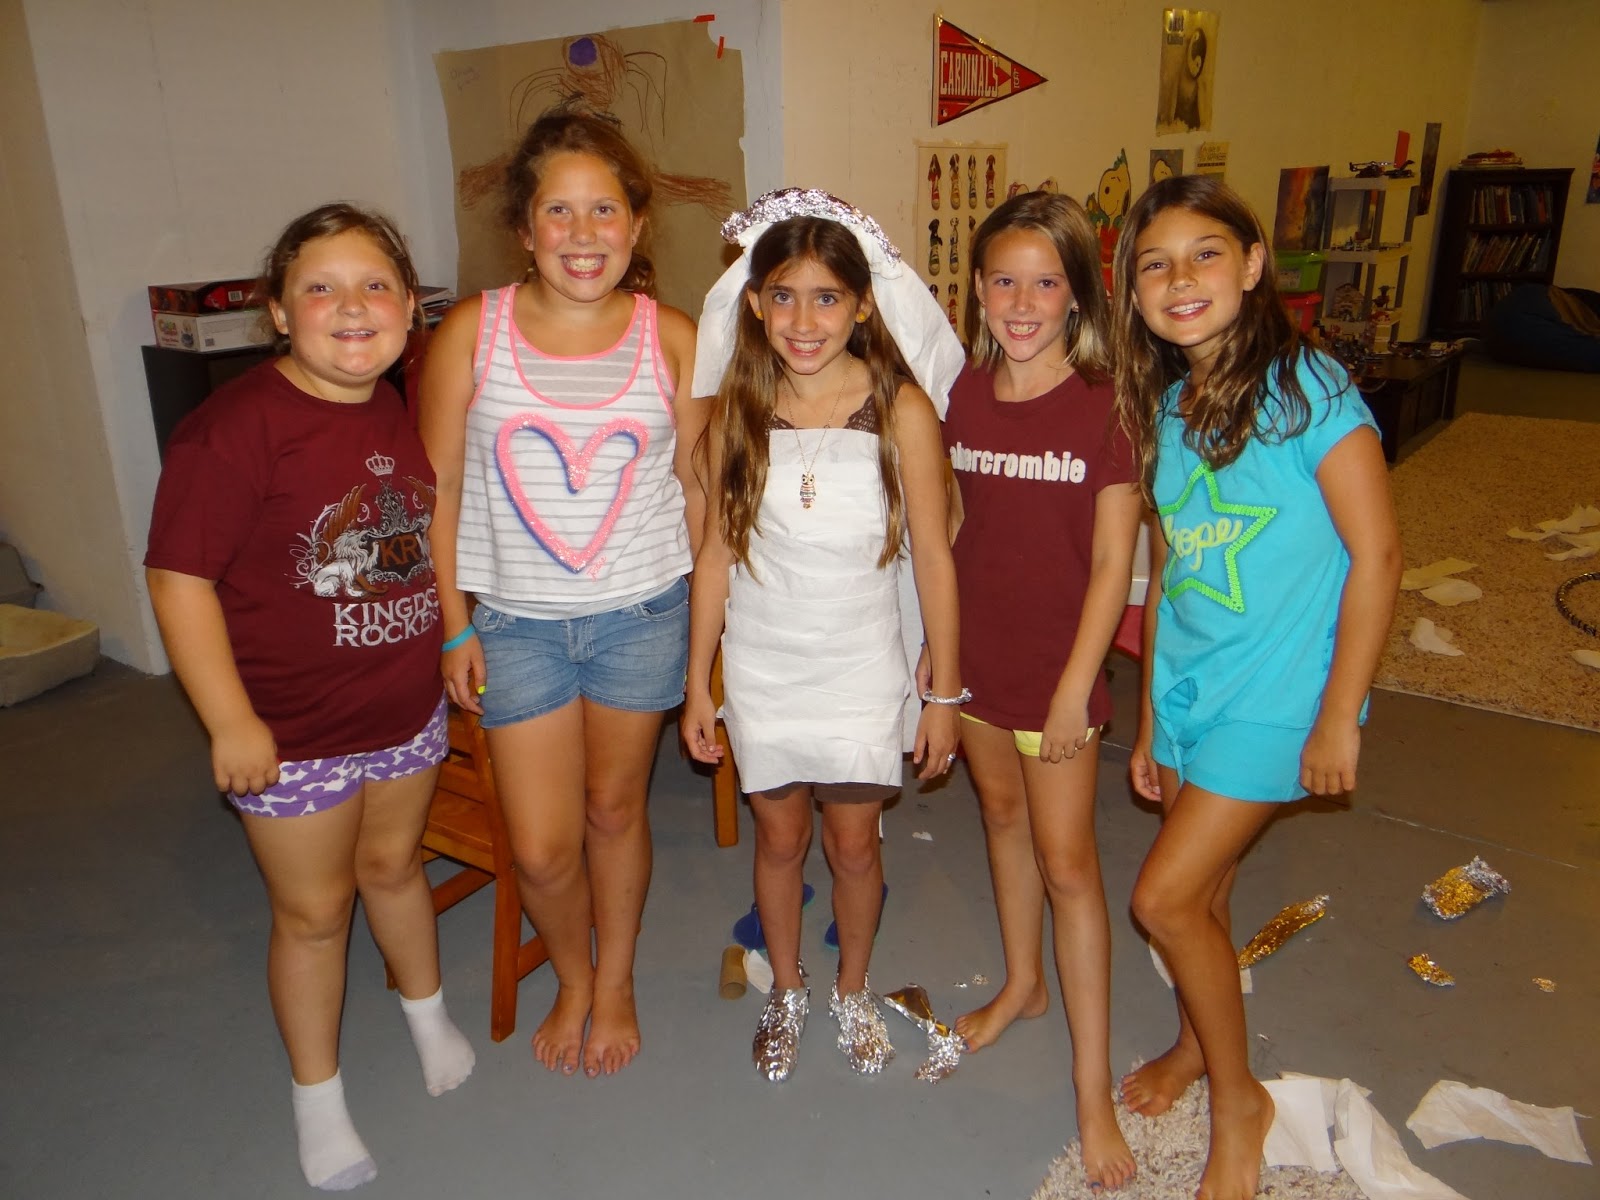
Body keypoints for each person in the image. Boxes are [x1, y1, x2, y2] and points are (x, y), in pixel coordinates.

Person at [145, 203, 475, 1192]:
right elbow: (178, 581)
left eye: (375, 285)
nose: (352, 306)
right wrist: (230, 721)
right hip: (294, 735)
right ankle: (318, 1097)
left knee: (395, 869)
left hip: (402, 710)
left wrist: (450, 637)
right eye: (320, 288)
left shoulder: (391, 403)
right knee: (315, 914)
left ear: (409, 308)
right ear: (281, 315)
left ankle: (427, 1016)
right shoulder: (233, 430)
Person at [1112, 174, 1401, 1200]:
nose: (1180, 279)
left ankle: (1239, 1105)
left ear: (1251, 263)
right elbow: (1169, 570)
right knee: (1208, 891)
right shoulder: (1171, 405)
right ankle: (1197, 1046)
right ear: (1134, 292)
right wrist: (1150, 720)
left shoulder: (1311, 391)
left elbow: (1377, 555)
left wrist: (1339, 717)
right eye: (1154, 265)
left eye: (1204, 254)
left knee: (1162, 899)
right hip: (1192, 689)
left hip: (1279, 696)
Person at [417, 108, 703, 1079]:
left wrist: (709, 642)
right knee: (540, 850)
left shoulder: (673, 338)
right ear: (524, 226)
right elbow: (438, 491)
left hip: (641, 616)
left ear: (637, 223)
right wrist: (454, 628)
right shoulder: (472, 332)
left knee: (615, 812)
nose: (583, 234)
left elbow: (700, 495)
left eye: (604, 210)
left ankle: (611, 980)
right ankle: (571, 975)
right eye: (558, 211)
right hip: (514, 626)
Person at [681, 189, 965, 1083]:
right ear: (755, 303)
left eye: (827, 298)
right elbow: (715, 557)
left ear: (863, 305)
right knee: (778, 842)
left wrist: (944, 694)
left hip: (859, 667)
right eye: (784, 297)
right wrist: (698, 684)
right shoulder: (738, 413)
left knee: (853, 845)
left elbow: (933, 557)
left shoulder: (900, 411)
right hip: (764, 668)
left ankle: (849, 987)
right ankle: (789, 988)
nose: (804, 322)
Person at [940, 192, 1141, 1191]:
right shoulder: (965, 394)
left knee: (1069, 868)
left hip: (1059, 681)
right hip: (979, 668)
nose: (1022, 303)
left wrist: (1075, 692)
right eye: (1004, 281)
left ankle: (1091, 1089)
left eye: (1045, 283)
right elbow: (957, 528)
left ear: (1076, 295)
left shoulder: (1106, 405)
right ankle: (1023, 983)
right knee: (1002, 823)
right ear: (978, 291)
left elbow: (1111, 565)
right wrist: (939, 660)